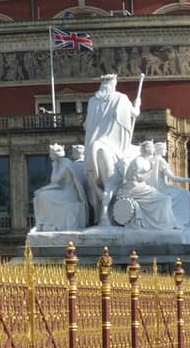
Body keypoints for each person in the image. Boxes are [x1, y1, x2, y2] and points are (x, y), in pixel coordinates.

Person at [83, 74, 139, 225]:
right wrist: (137, 105)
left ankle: (97, 210)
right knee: (122, 171)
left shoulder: (92, 101)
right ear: (113, 84)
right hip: (111, 144)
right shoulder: (121, 98)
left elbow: (86, 125)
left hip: (92, 144)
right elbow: (135, 114)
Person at [31, 142, 90, 232]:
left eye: (51, 154)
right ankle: (43, 222)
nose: (50, 157)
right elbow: (56, 184)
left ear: (56, 154)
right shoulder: (61, 162)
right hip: (62, 190)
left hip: (69, 194)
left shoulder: (65, 163)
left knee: (43, 196)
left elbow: (55, 180)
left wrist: (54, 167)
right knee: (40, 194)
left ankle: (49, 223)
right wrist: (43, 189)